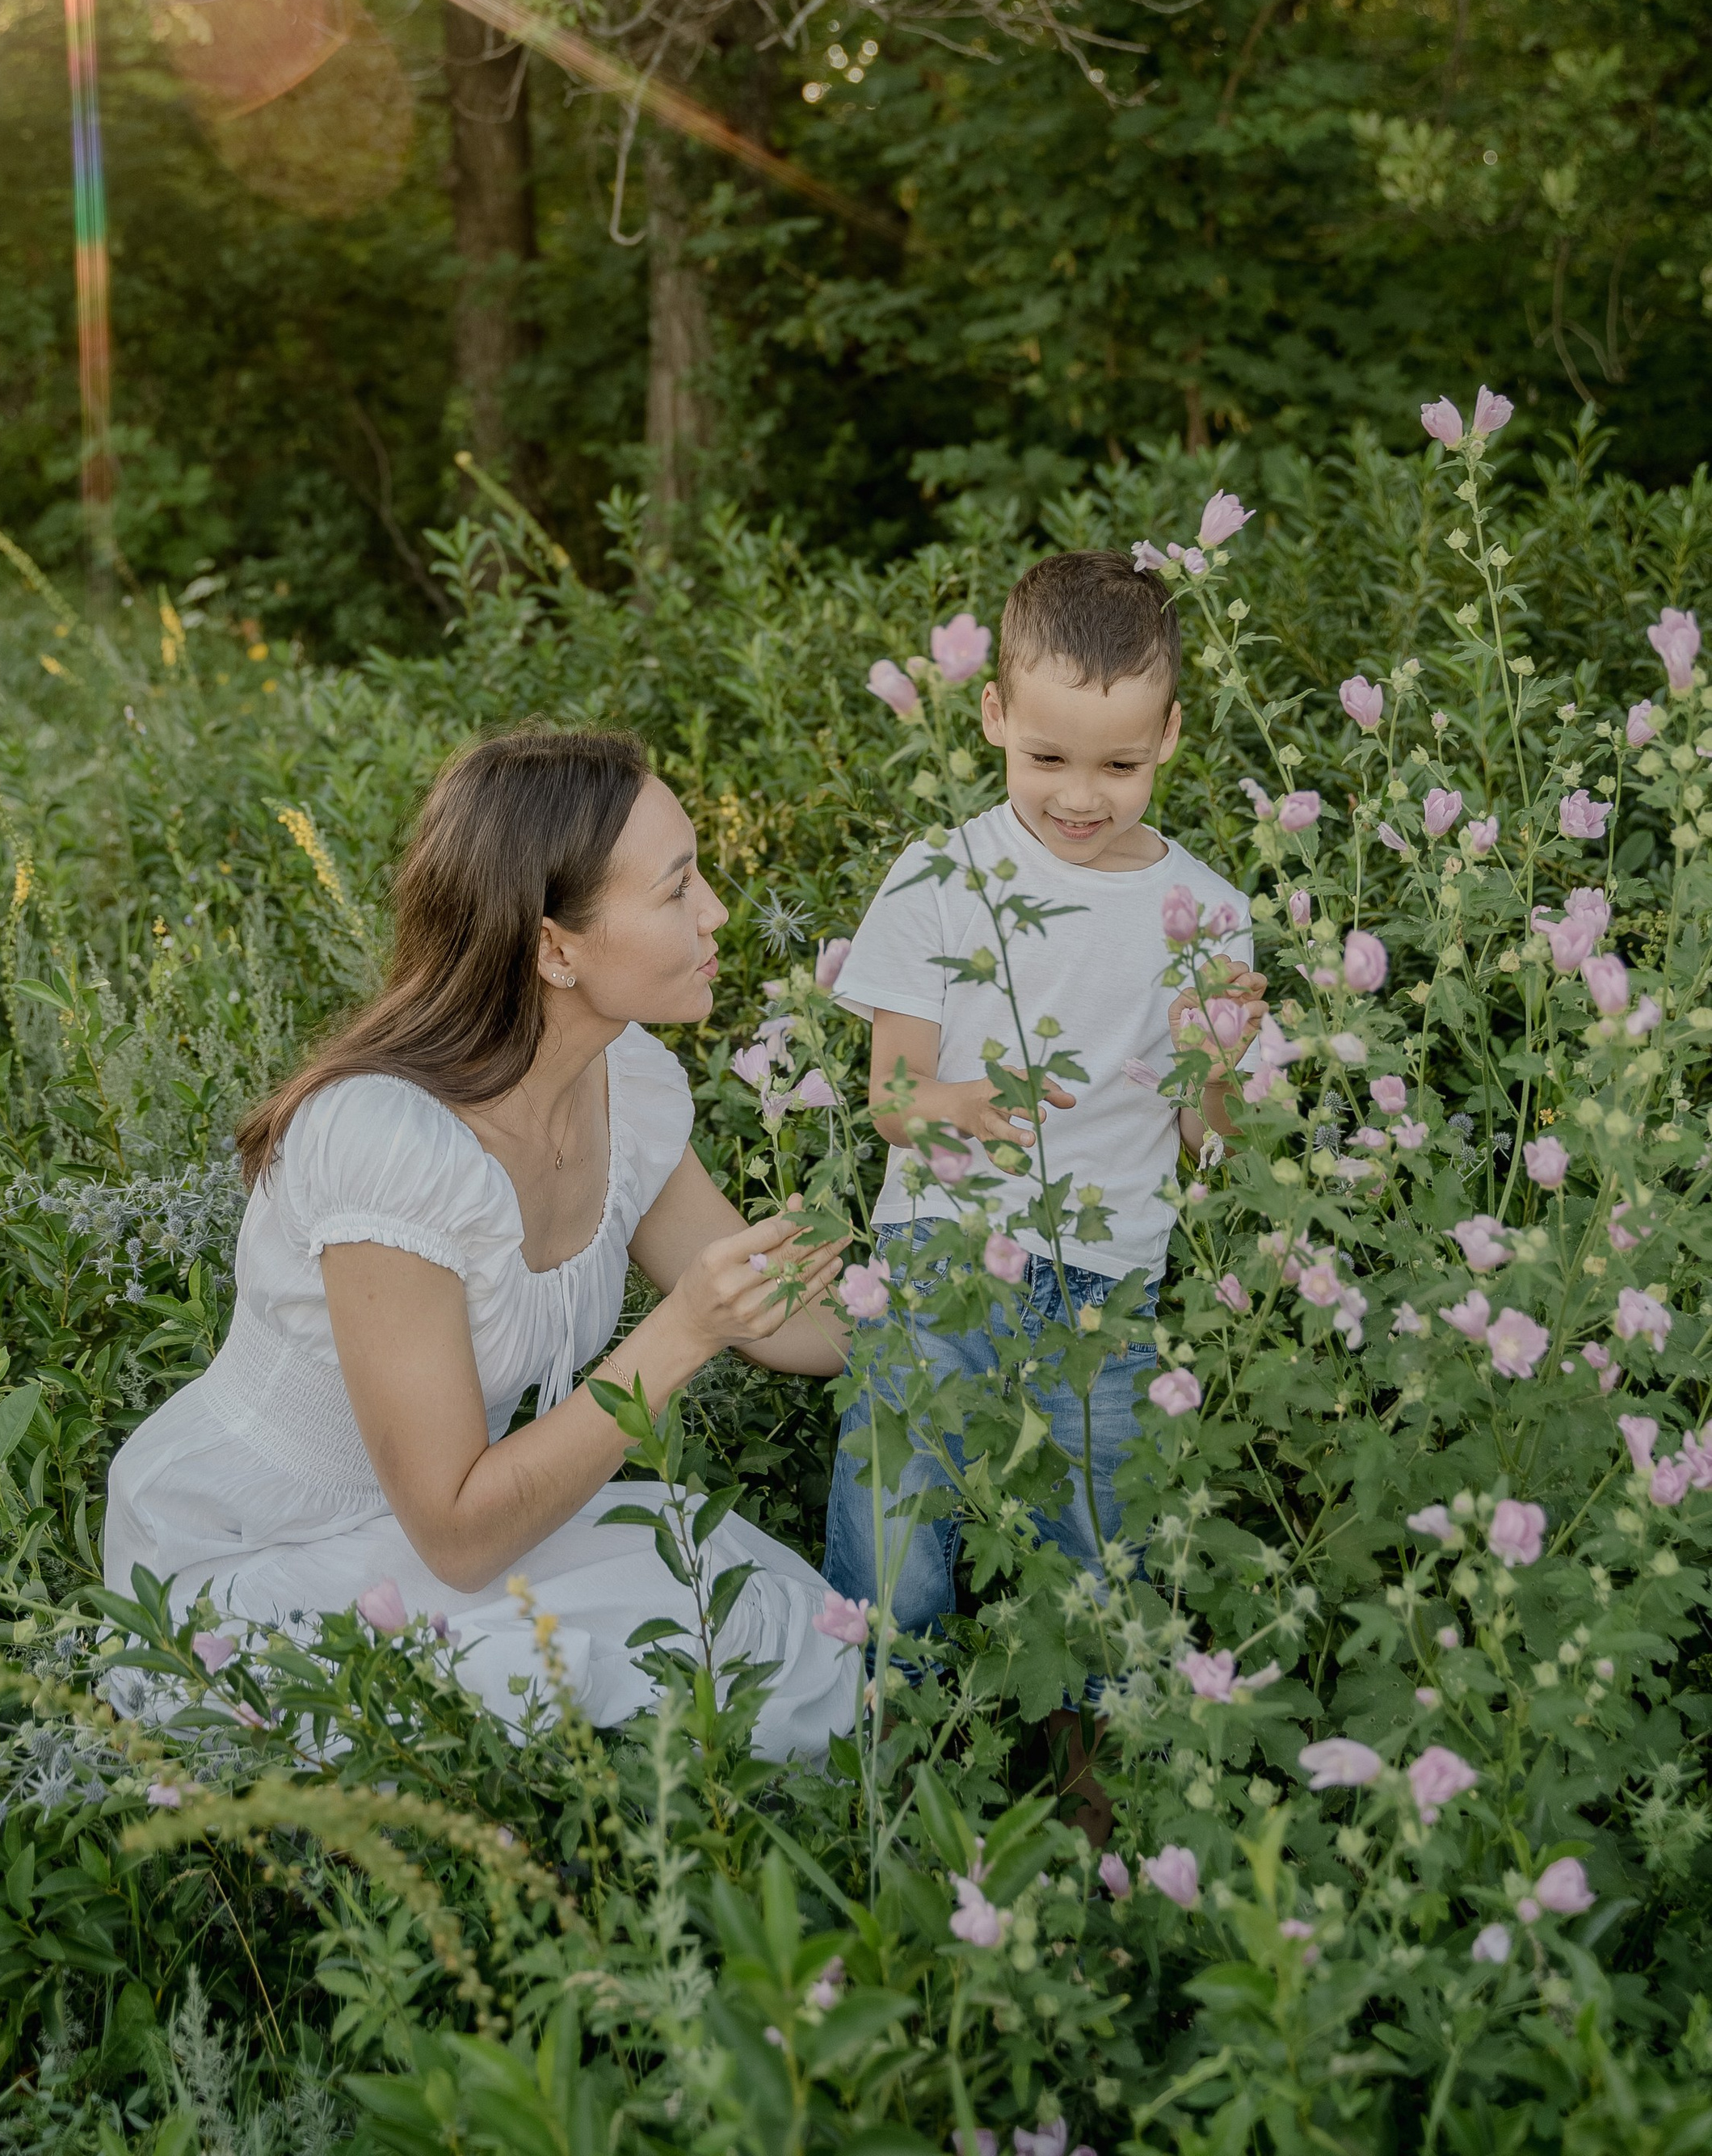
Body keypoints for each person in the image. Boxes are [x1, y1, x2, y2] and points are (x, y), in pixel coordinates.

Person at [105, 725, 856, 1762]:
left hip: (455, 1529)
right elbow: (458, 1536)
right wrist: (682, 1333)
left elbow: (787, 1317)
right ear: (554, 947)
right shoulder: (386, 1146)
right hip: (260, 1558)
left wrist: (981, 1300)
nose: (717, 911)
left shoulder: (622, 1086)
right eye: (677, 889)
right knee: (591, 1683)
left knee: (773, 1622)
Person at [822, 550, 1264, 1655]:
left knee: (1100, 1552)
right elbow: (890, 1098)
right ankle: (877, 1741)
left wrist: (1214, 1064)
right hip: (941, 1255)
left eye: (1120, 764)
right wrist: (962, 1105)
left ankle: (1094, 1784)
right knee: (897, 1521)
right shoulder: (940, 873)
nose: (1080, 795)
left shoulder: (1205, 910)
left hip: (1109, 1281)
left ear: (1169, 736)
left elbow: (1212, 1144)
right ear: (991, 715)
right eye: (1047, 755)